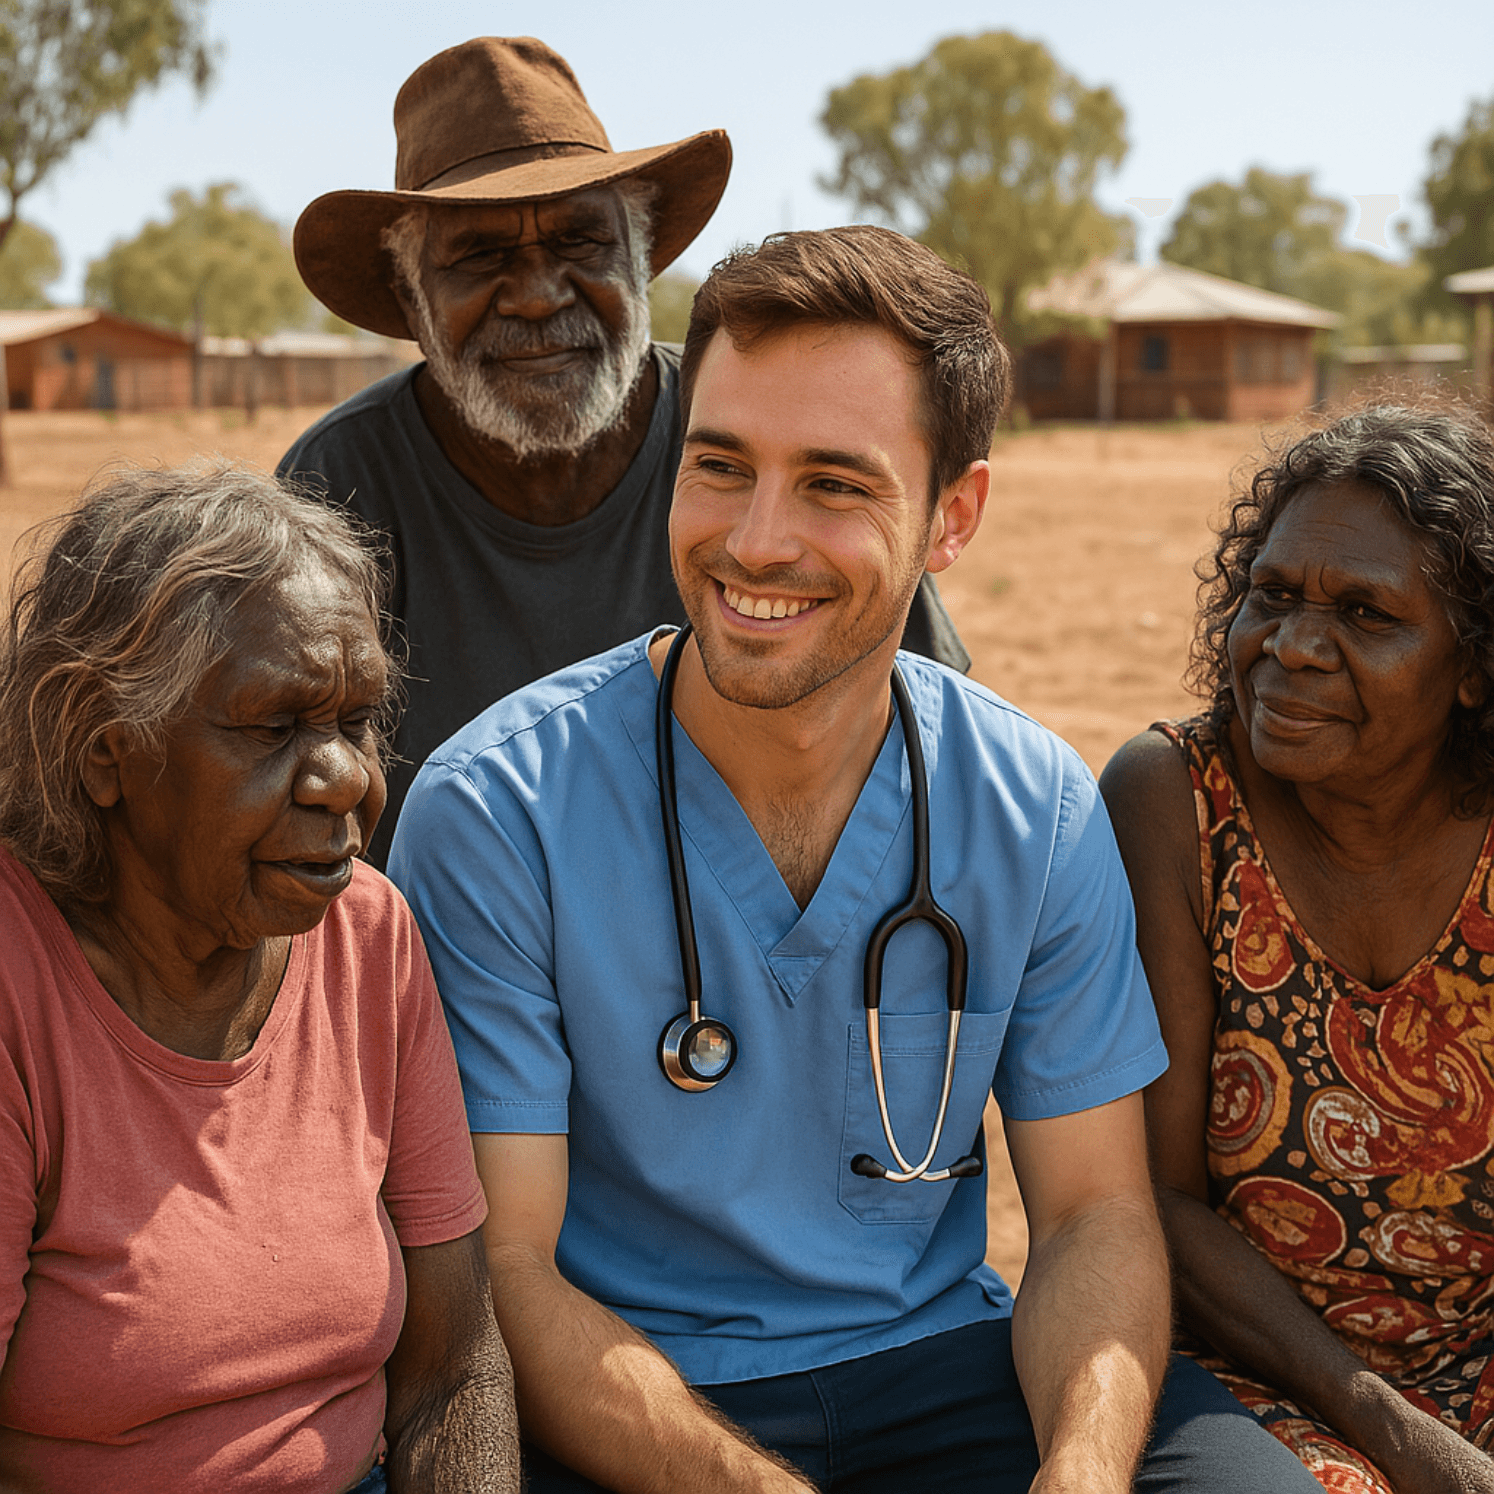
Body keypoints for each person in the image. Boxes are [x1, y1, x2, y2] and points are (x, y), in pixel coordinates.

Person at [389, 224, 1326, 1493]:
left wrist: (1084, 1469)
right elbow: (506, 1279)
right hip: (621, 1390)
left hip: (943, 1367)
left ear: (955, 515)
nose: (757, 541)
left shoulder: (1033, 805)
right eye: (721, 467)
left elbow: (1095, 1217)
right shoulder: (497, 809)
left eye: (834, 484)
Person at [278, 36, 969, 866]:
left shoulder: (749, 428)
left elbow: (930, 739)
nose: (537, 295)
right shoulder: (338, 491)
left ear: (640, 260)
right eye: (481, 255)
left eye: (580, 244)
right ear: (410, 293)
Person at [0, 465, 520, 1492]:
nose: (346, 781)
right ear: (104, 750)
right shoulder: (20, 985)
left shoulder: (367, 934)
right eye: (274, 728)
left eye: (359, 721)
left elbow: (454, 1370)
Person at [1101, 406, 1494, 1494]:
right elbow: (1153, 1200)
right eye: (1270, 596)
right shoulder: (1178, 804)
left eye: (1366, 614)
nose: (1291, 647)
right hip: (1252, 1366)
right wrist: (1391, 1427)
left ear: (1472, 667)